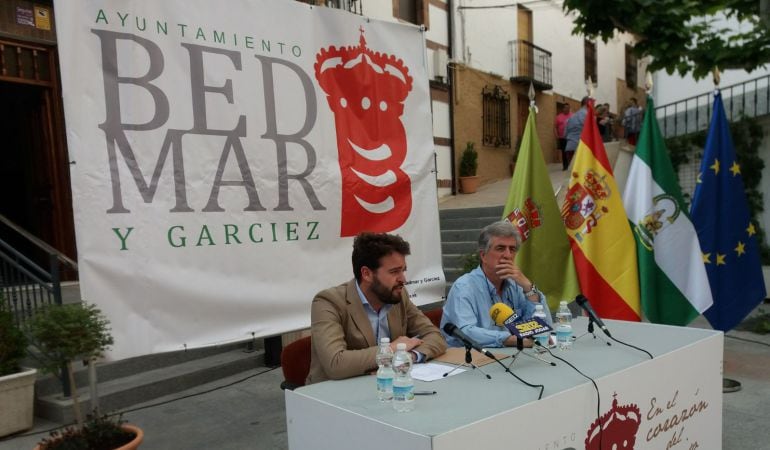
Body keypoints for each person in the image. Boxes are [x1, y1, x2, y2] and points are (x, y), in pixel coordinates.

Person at [307, 232, 447, 384]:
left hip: (386, 386)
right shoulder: (328, 302)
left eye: (403, 270)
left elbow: (435, 336)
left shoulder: (397, 295)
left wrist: (408, 357)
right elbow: (336, 363)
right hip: (333, 394)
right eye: (394, 272)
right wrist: (392, 349)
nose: (403, 279)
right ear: (366, 274)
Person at [441, 221, 553, 348]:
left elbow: (543, 328)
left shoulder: (516, 285)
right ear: (483, 255)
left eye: (512, 249)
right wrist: (510, 339)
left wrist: (528, 287)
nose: (507, 255)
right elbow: (466, 332)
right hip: (469, 358)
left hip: (511, 354)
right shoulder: (464, 288)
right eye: (500, 248)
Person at [563, 96, 589, 171]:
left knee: (573, 174)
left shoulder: (571, 117)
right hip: (581, 148)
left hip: (570, 147)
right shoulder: (587, 115)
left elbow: (565, 134)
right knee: (583, 175)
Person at [554, 103, 572, 170]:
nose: (567, 109)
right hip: (562, 138)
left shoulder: (572, 116)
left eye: (568, 108)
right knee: (564, 152)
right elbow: (555, 127)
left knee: (570, 151)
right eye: (566, 108)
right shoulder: (559, 117)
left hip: (570, 137)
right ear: (563, 108)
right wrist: (556, 136)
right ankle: (565, 166)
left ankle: (571, 164)